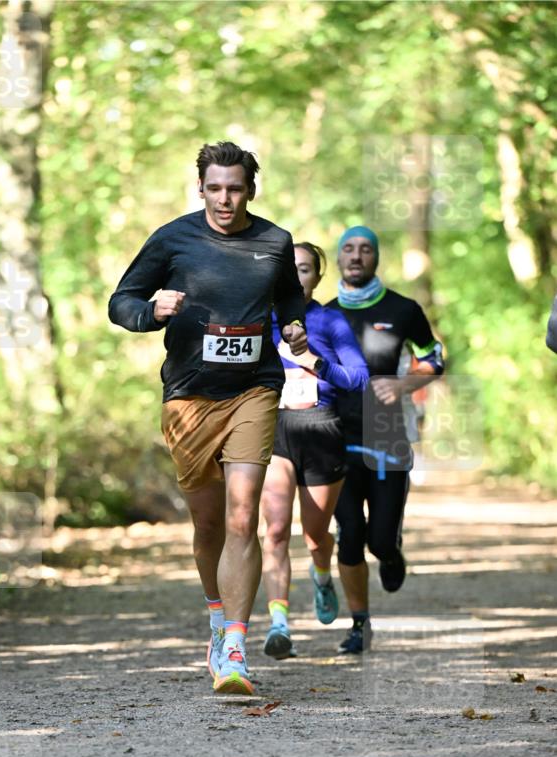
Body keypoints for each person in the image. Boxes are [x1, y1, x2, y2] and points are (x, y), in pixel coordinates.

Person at [108, 141, 308, 695]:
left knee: (244, 515)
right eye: (215, 188)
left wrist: (295, 328)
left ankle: (238, 647)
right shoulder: (173, 239)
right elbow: (120, 301)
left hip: (255, 389)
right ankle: (217, 618)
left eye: (235, 188)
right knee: (208, 525)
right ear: (201, 188)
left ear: (251, 189)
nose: (225, 199)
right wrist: (153, 311)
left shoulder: (274, 241)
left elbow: (291, 302)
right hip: (190, 396)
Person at [327, 226, 445, 654]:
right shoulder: (322, 315)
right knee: (349, 533)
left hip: (388, 438)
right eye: (348, 249)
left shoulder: (403, 309)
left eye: (365, 250)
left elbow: (434, 357)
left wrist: (402, 385)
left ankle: (392, 555)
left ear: (376, 258)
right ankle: (359, 623)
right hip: (337, 439)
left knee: (378, 539)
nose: (356, 256)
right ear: (338, 258)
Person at [260, 243, 369, 660]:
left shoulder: (329, 320)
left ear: (316, 278)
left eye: (303, 270)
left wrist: (313, 360)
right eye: (288, 270)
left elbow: (358, 379)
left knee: (315, 534)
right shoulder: (259, 320)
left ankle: (321, 574)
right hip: (276, 429)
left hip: (322, 428)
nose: (295, 277)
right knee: (273, 530)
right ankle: (279, 623)